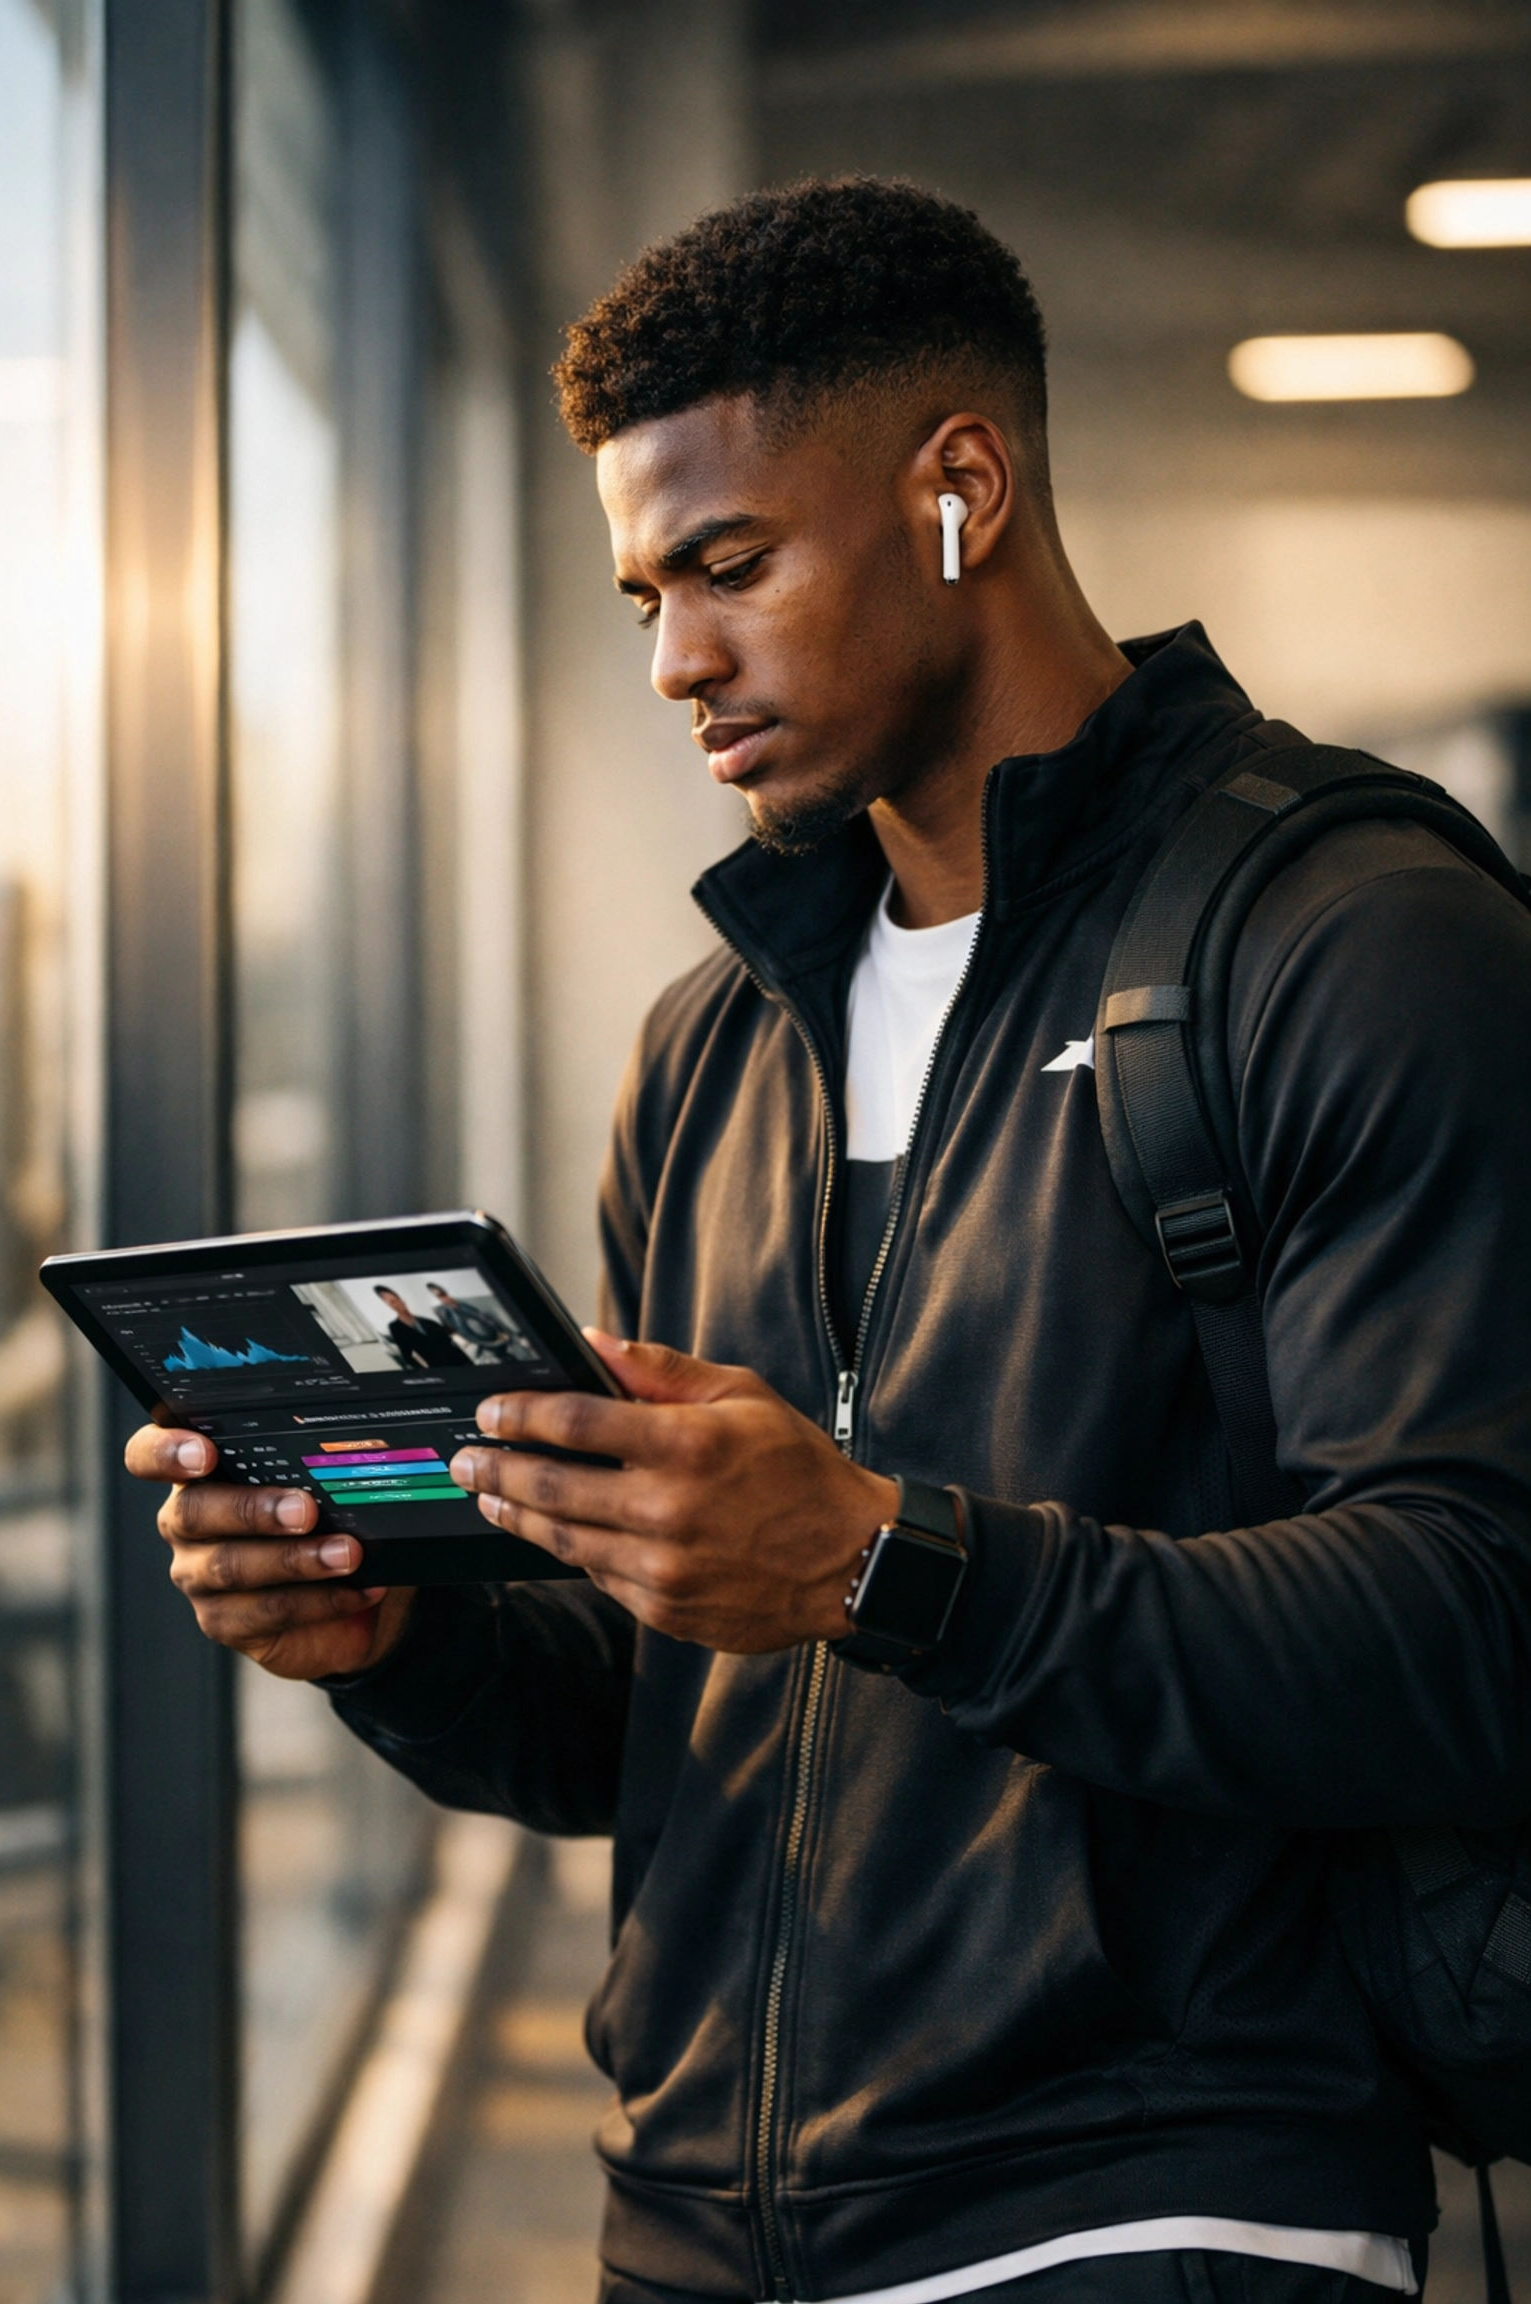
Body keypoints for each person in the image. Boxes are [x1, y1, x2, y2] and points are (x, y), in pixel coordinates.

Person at [126, 179, 1531, 2304]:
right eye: (641, 596)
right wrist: (391, 1646)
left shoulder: (1348, 938)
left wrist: (890, 1560)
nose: (678, 657)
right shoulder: (717, 1044)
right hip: (696, 2218)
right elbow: (659, 1713)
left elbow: (1477, 1624)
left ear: (959, 490)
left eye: (729, 564)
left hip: (1155, 2202)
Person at [425, 1280, 530, 1362]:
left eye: (443, 1294)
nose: (444, 1299)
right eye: (439, 1297)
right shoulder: (447, 1314)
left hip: (498, 1335)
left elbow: (488, 1317)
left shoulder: (467, 1304)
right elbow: (464, 1333)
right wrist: (488, 1344)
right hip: (487, 1343)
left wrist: (503, 1333)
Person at [373, 1284, 471, 1372]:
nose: (397, 1305)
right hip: (436, 1371)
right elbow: (408, 1357)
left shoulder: (430, 1323)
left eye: (396, 1300)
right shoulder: (395, 1328)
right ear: (388, 1306)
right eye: (392, 1302)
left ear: (402, 1301)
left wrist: (470, 1366)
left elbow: (453, 1346)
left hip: (458, 1366)